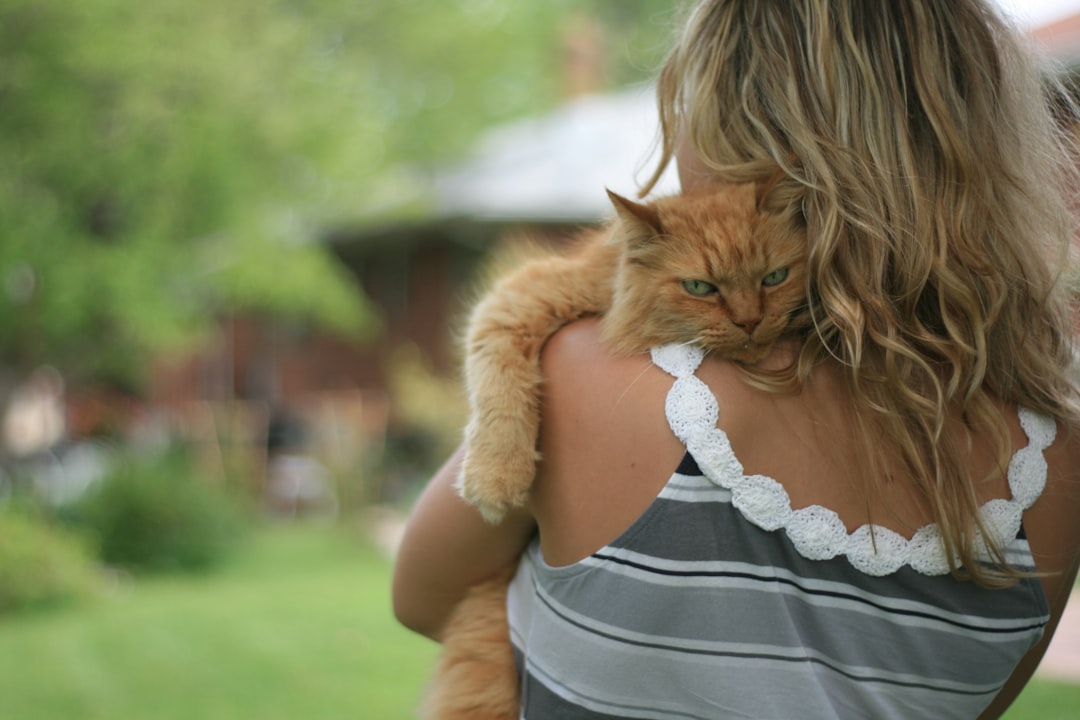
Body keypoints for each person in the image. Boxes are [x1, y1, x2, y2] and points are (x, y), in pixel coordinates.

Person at [392, 1, 1080, 717]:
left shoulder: (588, 379)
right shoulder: (1054, 465)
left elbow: (420, 594)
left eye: (684, 99)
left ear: (729, 128)